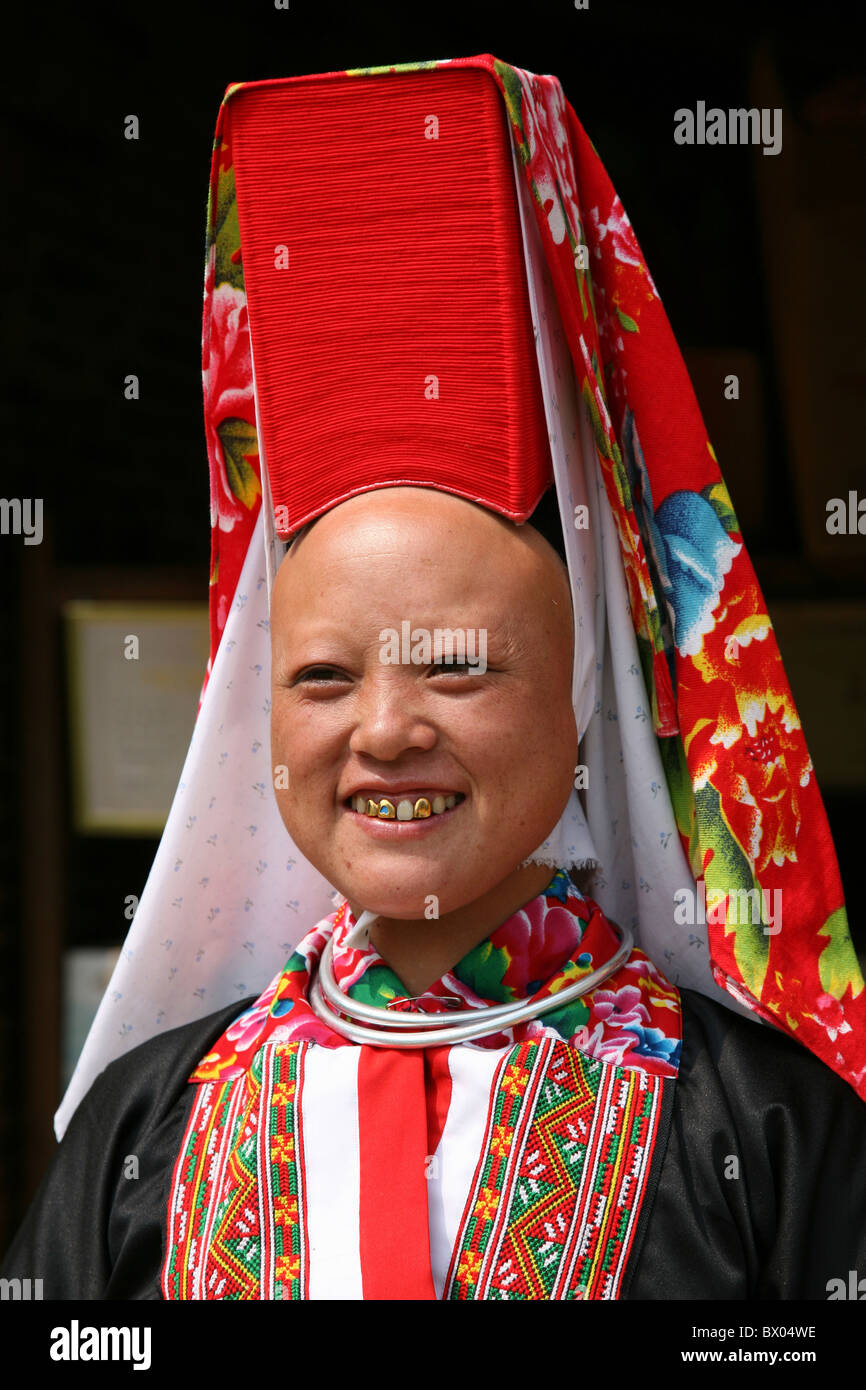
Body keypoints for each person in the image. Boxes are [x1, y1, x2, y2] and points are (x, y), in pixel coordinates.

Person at [3, 53, 865, 1301]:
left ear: (575, 706)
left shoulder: (760, 1135)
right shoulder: (147, 1132)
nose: (385, 729)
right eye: (320, 676)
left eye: (456, 667)